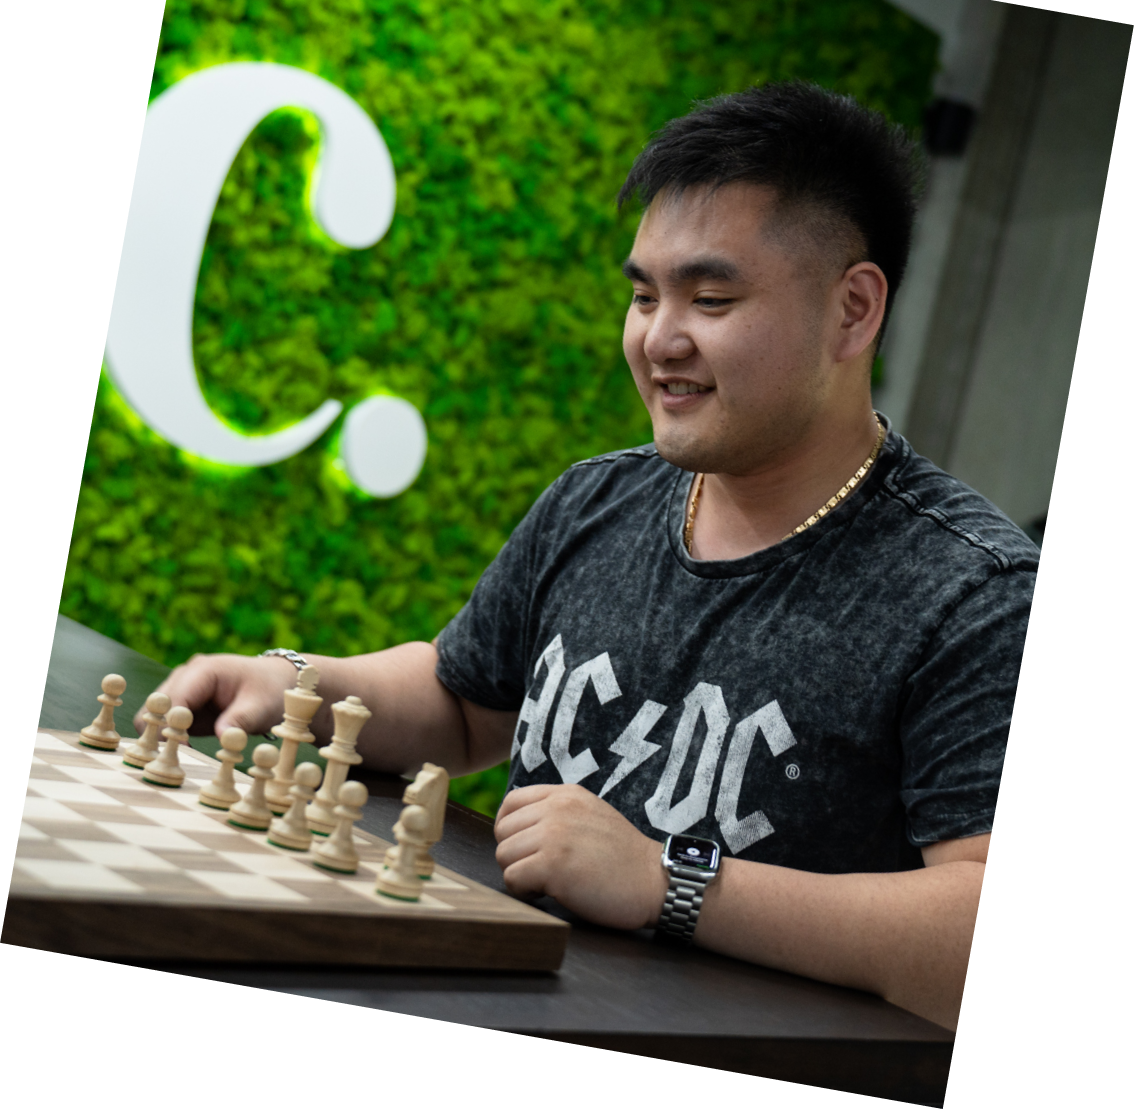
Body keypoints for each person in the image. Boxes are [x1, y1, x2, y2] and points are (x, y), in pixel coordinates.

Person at [144, 82, 1036, 1033]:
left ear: (852, 310)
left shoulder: (975, 593)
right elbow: (463, 703)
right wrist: (300, 682)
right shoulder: (598, 497)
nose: (659, 339)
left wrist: (669, 880)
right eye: (644, 295)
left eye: (712, 298)